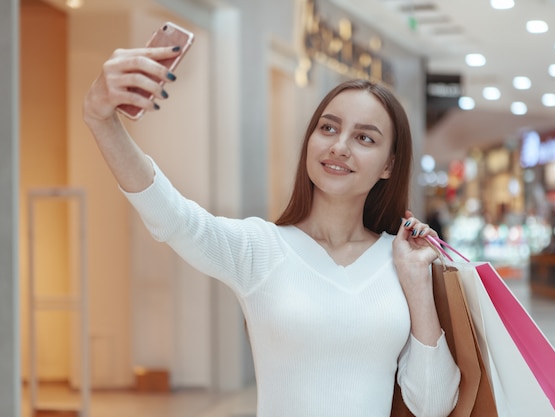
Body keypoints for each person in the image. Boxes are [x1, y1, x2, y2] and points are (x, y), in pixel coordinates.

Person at [83, 45, 460, 417]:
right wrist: (101, 120)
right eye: (328, 128)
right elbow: (173, 218)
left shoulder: (400, 260)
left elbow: (432, 405)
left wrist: (417, 282)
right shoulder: (261, 248)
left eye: (365, 138)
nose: (339, 147)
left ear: (389, 166)